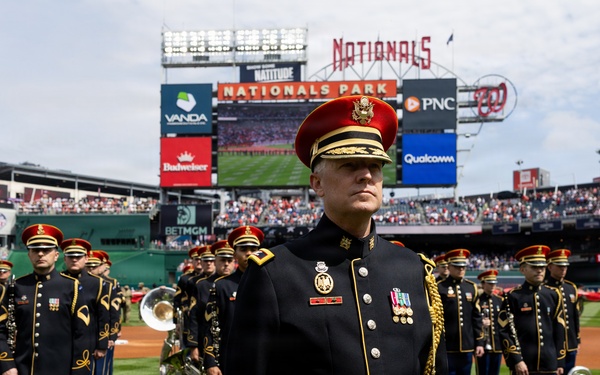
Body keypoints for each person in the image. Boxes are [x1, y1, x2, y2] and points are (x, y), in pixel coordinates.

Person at [225, 95, 447, 374]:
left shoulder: (414, 270)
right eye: (350, 165)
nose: (366, 175)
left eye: (375, 166)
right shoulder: (275, 273)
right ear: (317, 183)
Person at [0, 224, 90, 375]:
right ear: (29, 255)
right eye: (35, 250)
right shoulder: (16, 286)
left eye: (47, 250)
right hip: (22, 369)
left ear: (56, 255)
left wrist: (79, 369)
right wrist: (6, 363)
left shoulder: (71, 287)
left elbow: (82, 333)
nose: (40, 254)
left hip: (60, 369)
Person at [203, 226, 264, 375]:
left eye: (253, 248)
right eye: (243, 249)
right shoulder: (221, 286)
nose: (249, 253)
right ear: (235, 254)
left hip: (263, 358)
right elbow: (211, 325)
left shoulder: (269, 282)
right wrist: (210, 361)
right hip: (232, 358)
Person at [498, 245, 566, 375]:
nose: (539, 271)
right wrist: (516, 360)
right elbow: (504, 331)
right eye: (534, 267)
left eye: (542, 267)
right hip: (524, 365)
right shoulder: (512, 296)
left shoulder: (553, 294)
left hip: (550, 364)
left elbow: (560, 329)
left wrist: (560, 360)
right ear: (523, 269)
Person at [60, 238, 111, 372]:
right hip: (60, 342)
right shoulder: (58, 281)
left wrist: (102, 344)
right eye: (70, 256)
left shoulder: (97, 283)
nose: (74, 259)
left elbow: (103, 315)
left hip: (86, 342)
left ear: (86, 258)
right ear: (65, 259)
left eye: (78, 256)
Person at [187, 240, 236, 369]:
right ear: (216, 262)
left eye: (229, 260)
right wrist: (193, 345)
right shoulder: (202, 285)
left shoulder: (241, 283)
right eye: (222, 260)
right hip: (207, 340)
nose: (226, 264)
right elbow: (194, 317)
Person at [437, 248, 485, 375]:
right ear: (449, 266)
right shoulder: (440, 287)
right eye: (457, 266)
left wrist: (479, 342)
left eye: (463, 266)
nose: (461, 269)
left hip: (467, 346)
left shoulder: (471, 287)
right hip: (447, 346)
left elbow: (477, 318)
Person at [545, 248, 580, 373]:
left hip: (570, 344)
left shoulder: (571, 288)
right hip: (552, 344)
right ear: (549, 267)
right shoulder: (544, 288)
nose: (563, 269)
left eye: (565, 266)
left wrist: (577, 340)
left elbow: (575, 316)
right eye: (559, 266)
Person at [87, 250, 121, 375]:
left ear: (102, 266)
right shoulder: (78, 282)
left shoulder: (108, 284)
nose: (90, 269)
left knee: (102, 370)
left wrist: (112, 334)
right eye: (88, 266)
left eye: (94, 266)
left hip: (101, 333)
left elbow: (114, 311)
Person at [475, 269, 503, 375]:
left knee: (495, 372)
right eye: (489, 283)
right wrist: (481, 322)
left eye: (494, 283)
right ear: (483, 284)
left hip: (497, 345)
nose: (492, 286)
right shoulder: (477, 300)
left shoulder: (500, 301)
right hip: (482, 344)